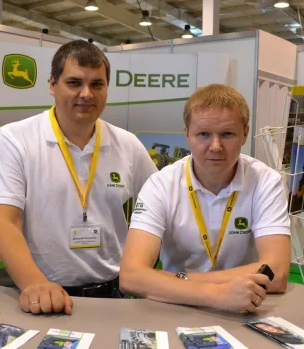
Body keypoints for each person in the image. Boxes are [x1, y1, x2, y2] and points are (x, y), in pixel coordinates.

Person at [0, 40, 157, 315]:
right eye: (74, 83)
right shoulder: (15, 139)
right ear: (53, 85)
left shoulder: (128, 144)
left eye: (97, 84)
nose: (86, 94)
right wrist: (35, 285)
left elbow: (160, 210)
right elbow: (4, 221)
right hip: (45, 295)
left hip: (115, 294)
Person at [120, 84, 291, 314]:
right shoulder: (161, 185)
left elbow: (277, 271)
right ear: (187, 135)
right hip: (176, 308)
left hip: (245, 306)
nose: (216, 146)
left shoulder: (266, 181)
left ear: (245, 134)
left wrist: (179, 279)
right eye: (204, 134)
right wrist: (217, 294)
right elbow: (131, 276)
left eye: (227, 134)